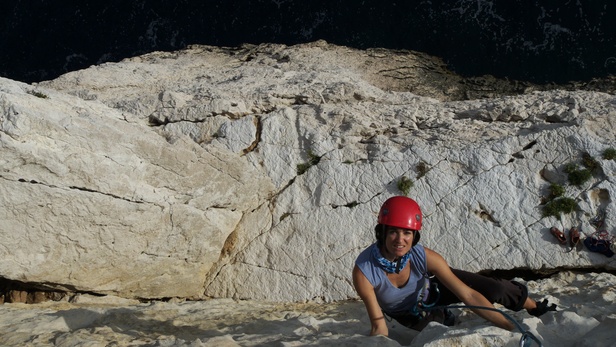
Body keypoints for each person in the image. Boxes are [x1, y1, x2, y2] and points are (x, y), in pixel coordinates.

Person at [353, 196, 556, 336]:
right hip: (409, 315)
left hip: (433, 289)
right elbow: (379, 325)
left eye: (407, 233)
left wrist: (511, 327)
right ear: (382, 232)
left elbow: (468, 295)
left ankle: (535, 306)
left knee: (495, 289)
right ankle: (446, 316)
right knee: (442, 327)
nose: (400, 239)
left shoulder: (423, 256)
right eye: (393, 232)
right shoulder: (365, 271)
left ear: (414, 236)